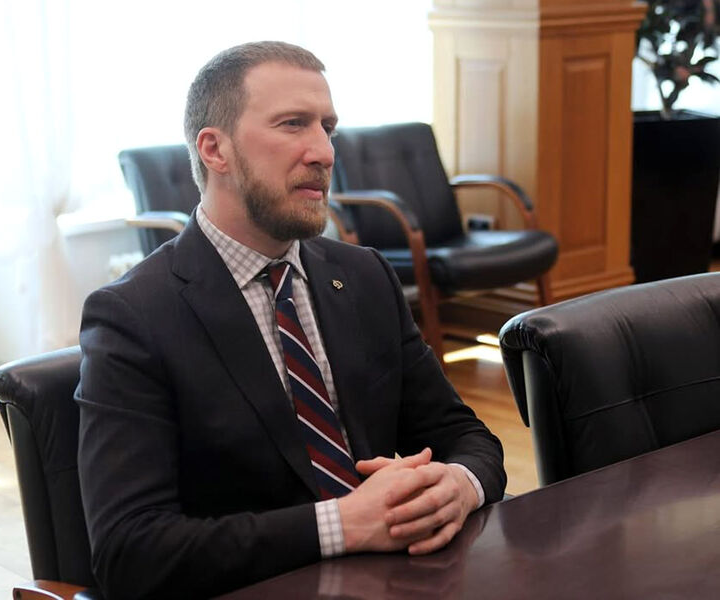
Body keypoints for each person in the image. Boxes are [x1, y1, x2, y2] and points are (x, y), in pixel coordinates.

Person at [76, 41, 506, 599]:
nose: (324, 152)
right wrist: (342, 524)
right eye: (293, 124)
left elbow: (466, 436)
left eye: (328, 128)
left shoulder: (364, 276)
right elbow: (130, 552)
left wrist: (460, 484)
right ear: (215, 150)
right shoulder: (133, 316)